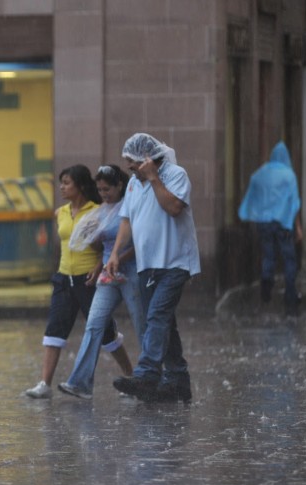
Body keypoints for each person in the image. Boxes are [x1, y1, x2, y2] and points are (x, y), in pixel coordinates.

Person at [107, 133, 201, 403]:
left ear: (147, 160)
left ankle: (147, 373)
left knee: (157, 316)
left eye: (133, 164)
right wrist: (115, 254)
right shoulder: (134, 185)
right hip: (147, 265)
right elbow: (126, 220)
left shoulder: (175, 175)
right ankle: (177, 380)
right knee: (164, 323)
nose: (130, 169)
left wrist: (153, 178)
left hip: (175, 261)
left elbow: (173, 207)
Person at [25, 164, 130, 399]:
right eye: (60, 182)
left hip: (89, 279)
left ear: (81, 186)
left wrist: (97, 267)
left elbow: (103, 246)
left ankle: (131, 375)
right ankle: (44, 383)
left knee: (105, 333)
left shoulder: (98, 211)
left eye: (66, 183)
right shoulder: (59, 213)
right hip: (64, 278)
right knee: (55, 328)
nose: (61, 187)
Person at [58, 164, 142, 399]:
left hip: (131, 271)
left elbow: (139, 244)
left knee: (141, 322)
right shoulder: (102, 211)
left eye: (108, 190)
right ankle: (81, 382)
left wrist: (118, 258)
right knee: (94, 323)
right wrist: (91, 235)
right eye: (100, 190)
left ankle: (149, 376)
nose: (104, 194)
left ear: (119, 186)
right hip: (108, 273)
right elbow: (98, 246)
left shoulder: (130, 207)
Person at [237, 141, 302, 315]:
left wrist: (250, 213)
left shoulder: (260, 174)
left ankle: (266, 284)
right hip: (283, 223)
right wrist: (297, 226)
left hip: (264, 222)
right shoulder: (289, 175)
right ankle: (290, 294)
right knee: (289, 258)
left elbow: (253, 196)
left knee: (268, 255)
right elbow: (294, 202)